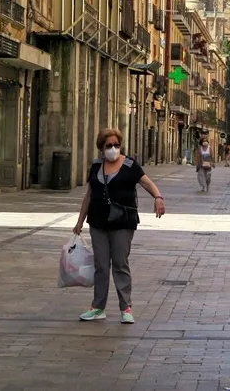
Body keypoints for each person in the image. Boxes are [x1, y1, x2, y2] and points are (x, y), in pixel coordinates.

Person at [73, 128, 166, 324]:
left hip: (123, 222)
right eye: (109, 146)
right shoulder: (96, 166)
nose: (113, 149)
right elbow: (88, 195)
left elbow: (147, 183)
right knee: (101, 266)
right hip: (98, 222)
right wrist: (80, 221)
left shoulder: (130, 165)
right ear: (101, 148)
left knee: (120, 264)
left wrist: (158, 197)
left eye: (117, 145)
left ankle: (126, 307)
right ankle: (98, 307)